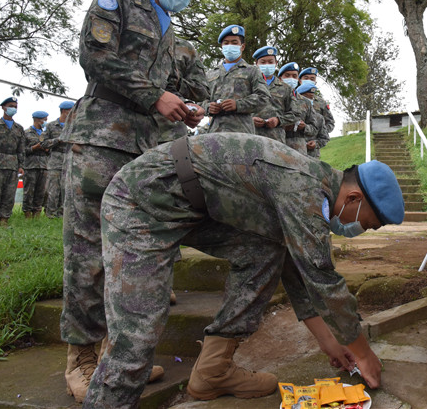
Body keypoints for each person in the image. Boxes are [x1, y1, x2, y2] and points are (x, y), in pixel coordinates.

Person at [81, 132, 404, 407]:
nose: (359, 230)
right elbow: (323, 281)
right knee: (136, 340)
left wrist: (329, 342)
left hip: (191, 207)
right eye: (366, 224)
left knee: (266, 251)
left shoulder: (312, 191)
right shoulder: (303, 188)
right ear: (353, 198)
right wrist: (362, 353)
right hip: (141, 200)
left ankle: (212, 371)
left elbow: (298, 271)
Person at [58, 0, 213, 403]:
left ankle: (115, 358)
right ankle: (81, 358)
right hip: (102, 141)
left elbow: (185, 86)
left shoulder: (171, 35)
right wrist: (155, 96)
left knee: (125, 253)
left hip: (143, 152)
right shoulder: (118, 2)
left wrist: (185, 107)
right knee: (87, 251)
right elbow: (96, 57)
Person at [204, 25, 269, 134]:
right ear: (222, 46)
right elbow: (200, 99)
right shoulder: (210, 74)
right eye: (226, 43)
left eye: (234, 43)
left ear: (242, 47)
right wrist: (208, 107)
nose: (230, 46)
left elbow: (263, 97)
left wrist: (238, 105)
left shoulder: (252, 71)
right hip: (215, 132)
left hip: (242, 132)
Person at [0, 97, 25, 226]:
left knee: (9, 194)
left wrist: (21, 165)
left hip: (13, 165)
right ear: (3, 107)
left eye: (15, 106)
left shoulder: (19, 128)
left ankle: (4, 220)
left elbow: (21, 149)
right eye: (11, 105)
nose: (13, 108)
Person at [251, 46, 295, 144]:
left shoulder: (285, 88)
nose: (267, 65)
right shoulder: (247, 84)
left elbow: (295, 114)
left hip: (276, 140)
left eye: (270, 62)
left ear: (276, 63)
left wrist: (278, 120)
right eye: (263, 62)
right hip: (251, 137)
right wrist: (250, 119)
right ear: (256, 64)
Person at [40, 101, 74, 218]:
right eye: (72, 110)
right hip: (55, 162)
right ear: (65, 111)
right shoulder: (51, 126)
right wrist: (58, 140)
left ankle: (63, 215)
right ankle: (51, 214)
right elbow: (43, 144)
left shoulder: (74, 126)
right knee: (53, 190)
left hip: (70, 161)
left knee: (66, 189)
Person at [279, 62, 319, 155]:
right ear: (280, 79)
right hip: (277, 144)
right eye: (287, 76)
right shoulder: (272, 97)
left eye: (294, 76)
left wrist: (304, 127)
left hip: (298, 149)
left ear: (298, 79)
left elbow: (314, 129)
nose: (291, 79)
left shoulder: (306, 102)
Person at [22, 111, 49, 218]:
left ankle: (37, 215)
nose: (46, 122)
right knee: (29, 191)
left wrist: (47, 149)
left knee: (41, 192)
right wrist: (34, 148)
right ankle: (27, 215)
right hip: (30, 166)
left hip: (43, 165)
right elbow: (22, 150)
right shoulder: (26, 133)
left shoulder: (45, 134)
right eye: (45, 120)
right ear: (38, 120)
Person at [297, 80, 329, 158]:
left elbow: (325, 138)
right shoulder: (292, 114)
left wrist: (316, 143)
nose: (308, 100)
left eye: (311, 97)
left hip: (312, 158)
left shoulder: (319, 118)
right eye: (305, 97)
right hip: (294, 156)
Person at [299, 66, 335, 135]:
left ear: (315, 82)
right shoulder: (291, 97)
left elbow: (330, 123)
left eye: (312, 79)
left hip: (315, 142)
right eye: (306, 78)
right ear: (300, 81)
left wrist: (320, 132)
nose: (309, 81)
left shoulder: (321, 102)